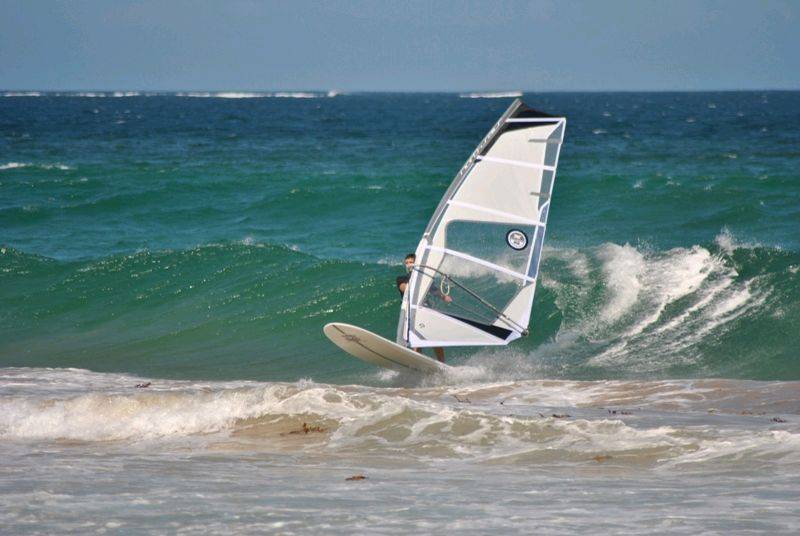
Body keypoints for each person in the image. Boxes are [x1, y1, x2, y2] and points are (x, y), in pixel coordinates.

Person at [397, 254, 449, 363]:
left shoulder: (424, 279)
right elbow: (404, 288)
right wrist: (414, 281)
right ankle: (418, 361)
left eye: (411, 262)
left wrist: (444, 296)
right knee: (416, 338)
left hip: (425, 311)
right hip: (410, 312)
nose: (408, 265)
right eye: (406, 263)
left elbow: (434, 290)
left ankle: (442, 362)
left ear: (416, 263)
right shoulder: (402, 278)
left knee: (434, 337)